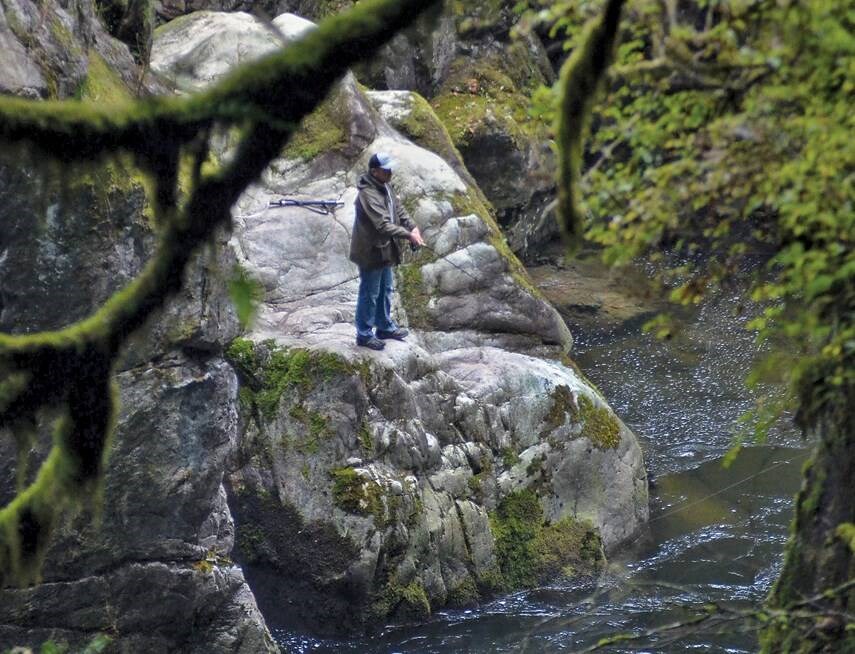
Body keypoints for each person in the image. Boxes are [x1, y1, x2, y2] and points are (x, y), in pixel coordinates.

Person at [349, 152, 425, 350]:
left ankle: (384, 326)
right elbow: (382, 225)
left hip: (385, 251)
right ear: (374, 172)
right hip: (370, 252)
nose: (390, 172)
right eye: (386, 169)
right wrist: (408, 236)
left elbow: (400, 211)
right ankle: (364, 334)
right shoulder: (368, 194)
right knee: (370, 293)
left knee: (386, 290)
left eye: (390, 169)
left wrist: (413, 227)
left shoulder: (386, 187)